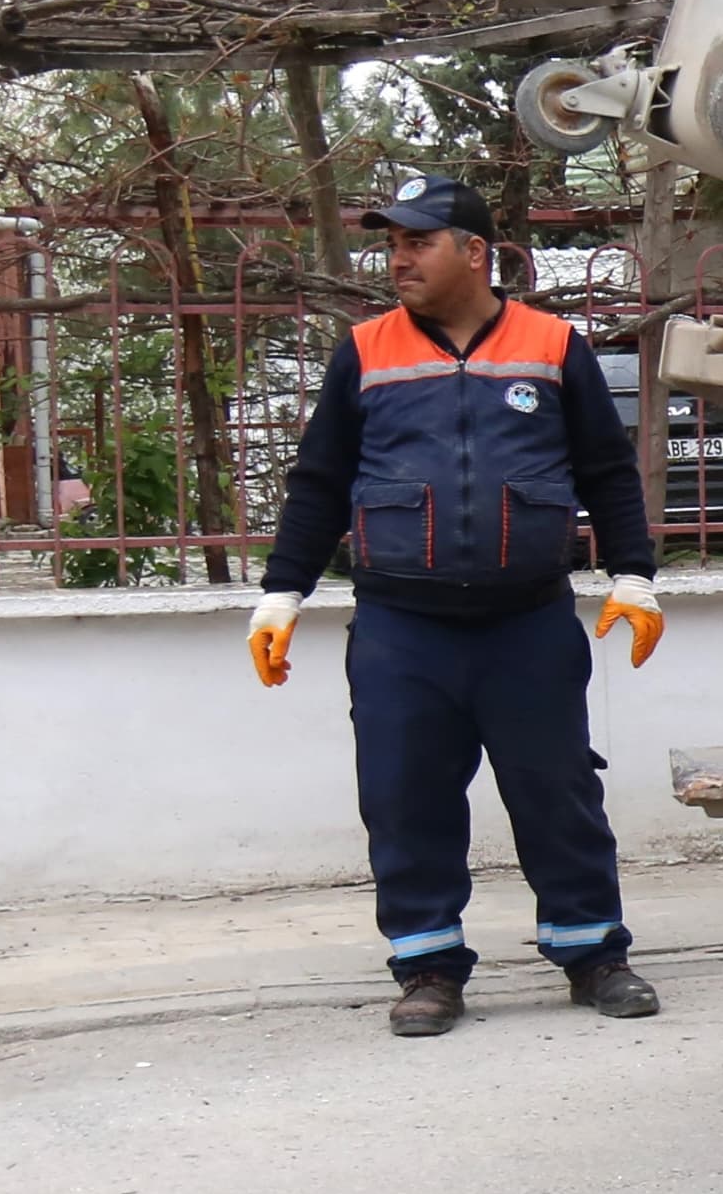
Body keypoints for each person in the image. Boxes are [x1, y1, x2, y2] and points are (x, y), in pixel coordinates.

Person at [248, 175, 671, 1037]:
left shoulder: (553, 346)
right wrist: (281, 593)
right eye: (392, 243)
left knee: (557, 787)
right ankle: (429, 966)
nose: (397, 258)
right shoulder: (366, 352)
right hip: (404, 625)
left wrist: (634, 574)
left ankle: (593, 952)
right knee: (405, 794)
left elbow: (606, 471)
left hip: (529, 621)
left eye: (417, 242)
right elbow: (320, 483)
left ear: (473, 252)